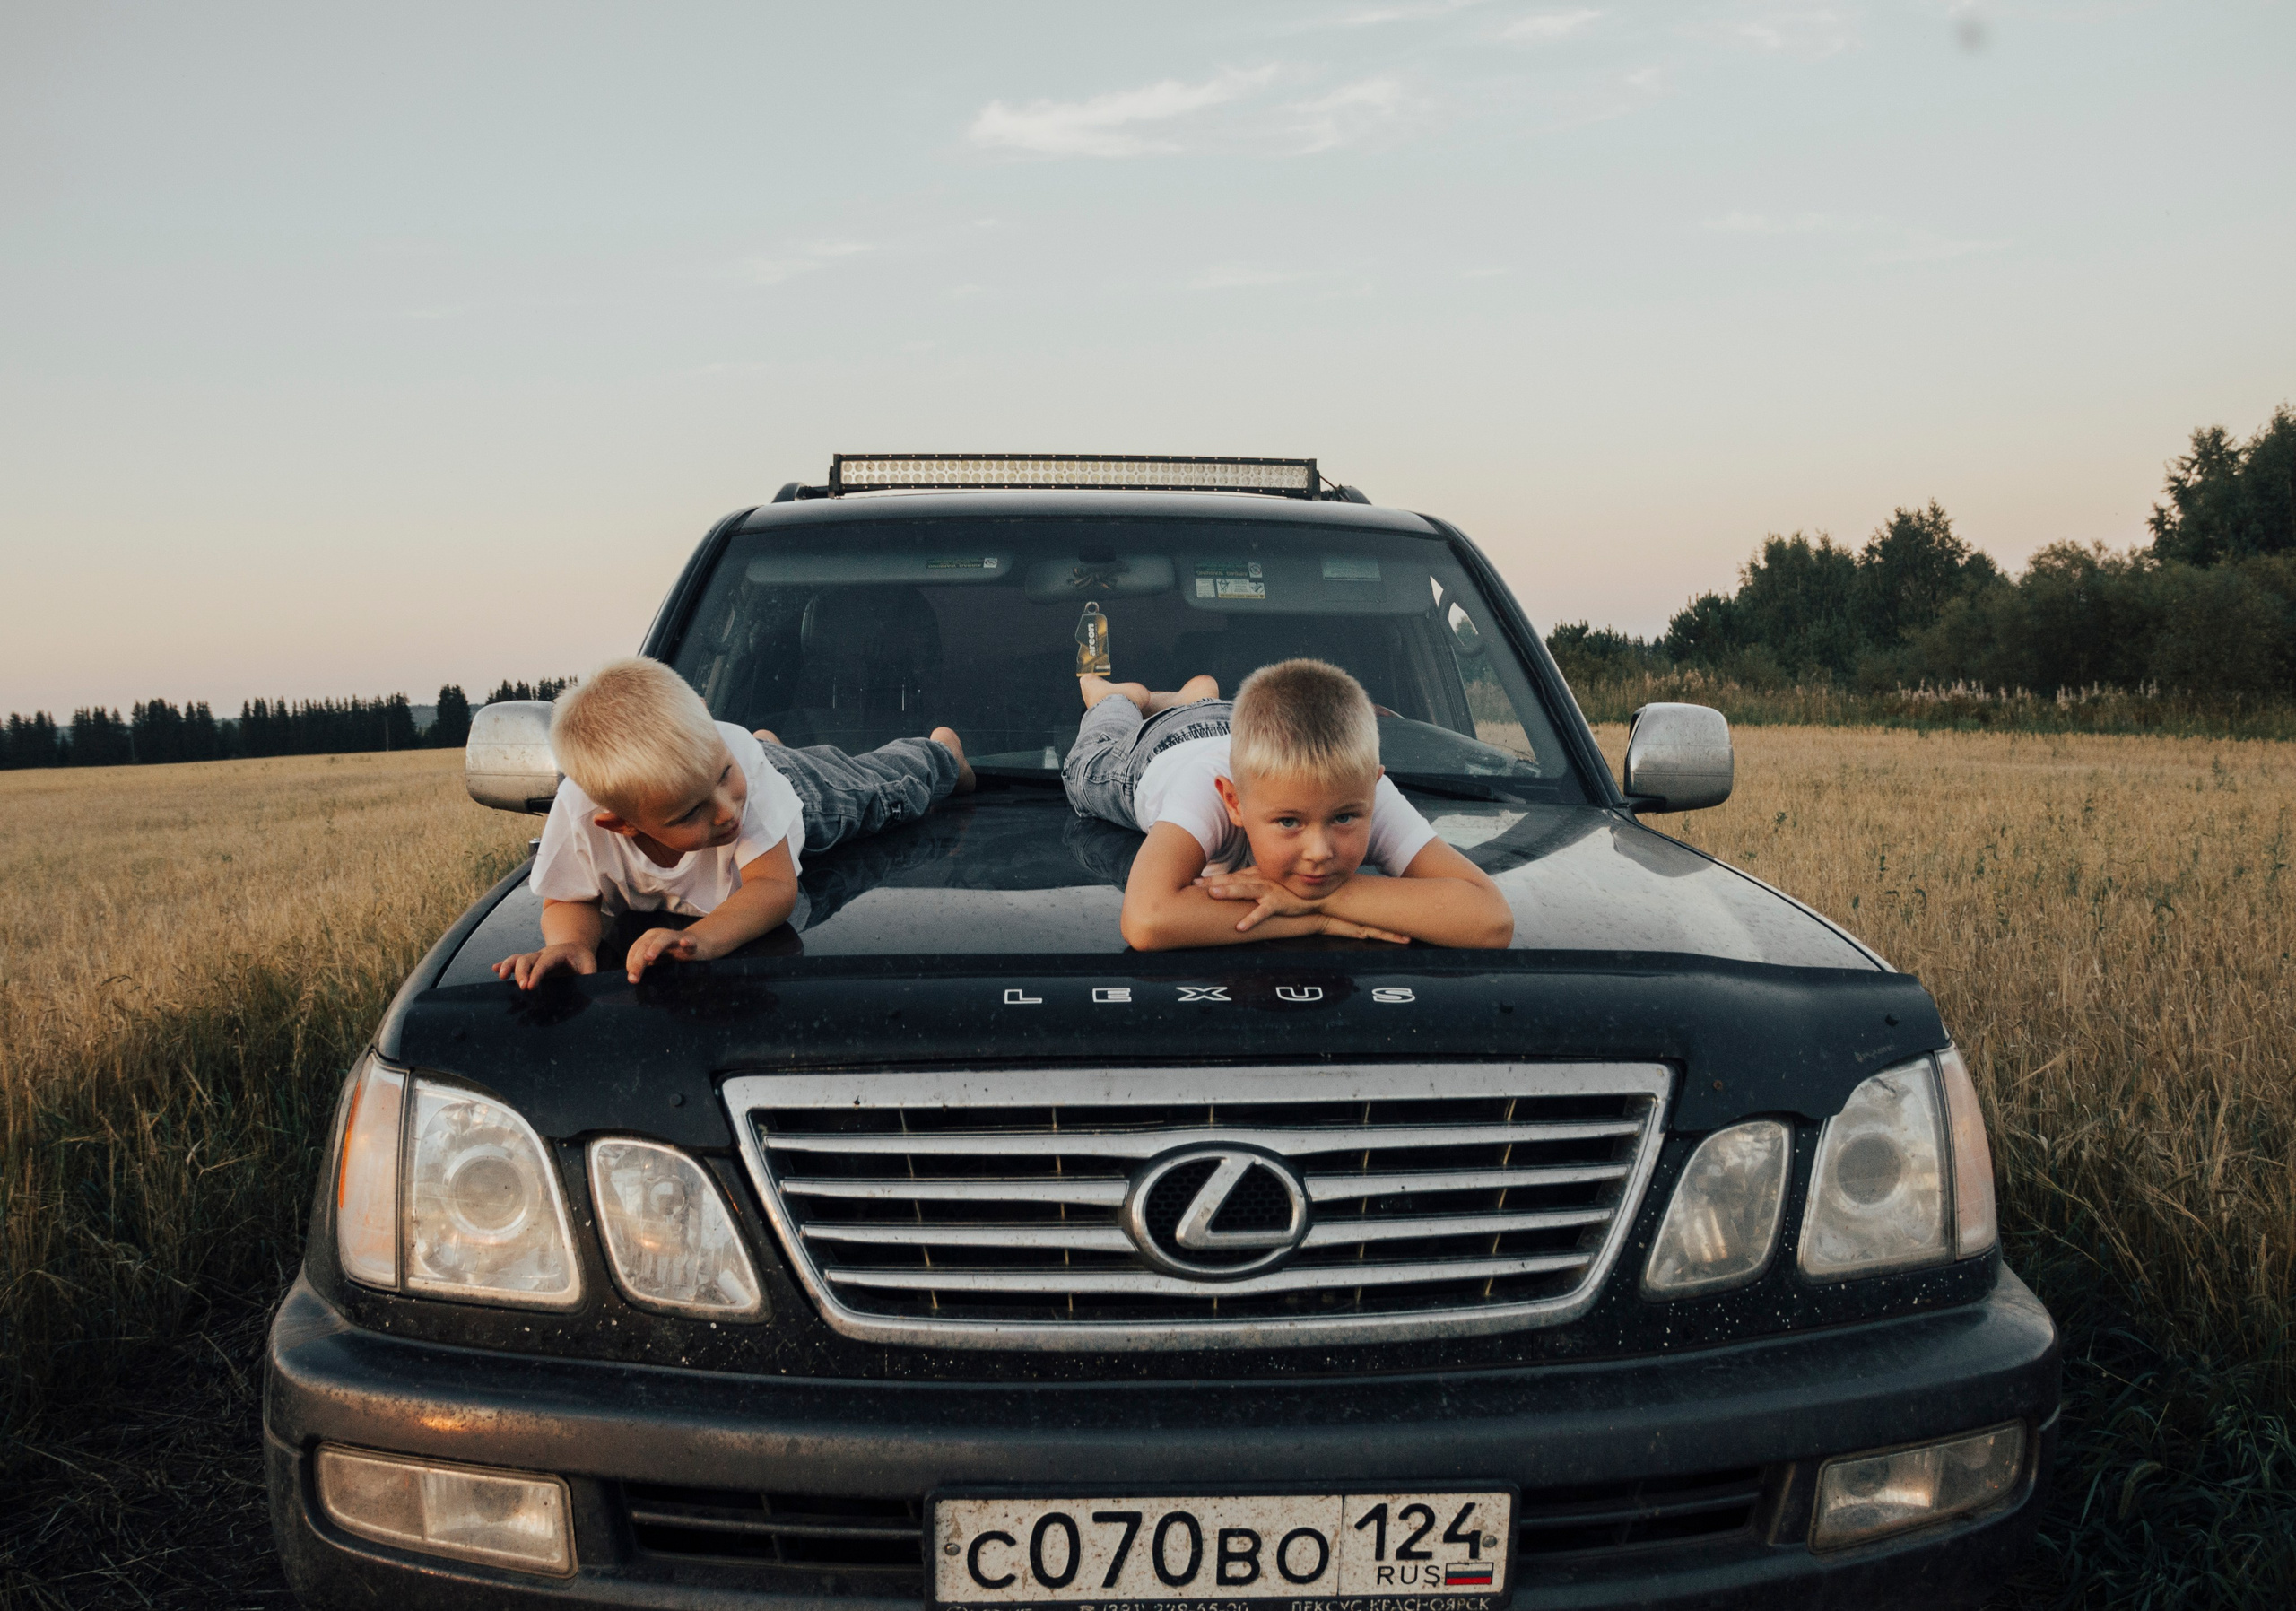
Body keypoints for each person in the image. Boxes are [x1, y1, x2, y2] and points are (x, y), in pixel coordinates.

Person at [496, 657, 973, 987]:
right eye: (689, 812)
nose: (726, 812)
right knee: (749, 766)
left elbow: (772, 888)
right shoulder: (580, 813)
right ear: (619, 825)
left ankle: (941, 753)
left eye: (724, 776)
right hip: (743, 759)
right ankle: (764, 750)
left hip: (795, 790)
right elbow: (568, 897)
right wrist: (574, 944)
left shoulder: (738, 790)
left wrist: (698, 939)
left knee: (876, 791)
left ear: (707, 717)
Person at [1064, 658, 1514, 951]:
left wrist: (1318, 897)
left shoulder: (1350, 781)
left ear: (1373, 789)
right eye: (1288, 821)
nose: (1319, 851)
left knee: (1212, 714)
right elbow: (1146, 920)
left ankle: (1197, 697)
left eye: (1344, 818)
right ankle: (1119, 698)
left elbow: (1491, 920)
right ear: (1234, 801)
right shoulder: (1205, 792)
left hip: (1241, 728)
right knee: (1089, 760)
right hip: (1154, 754)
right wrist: (1313, 918)